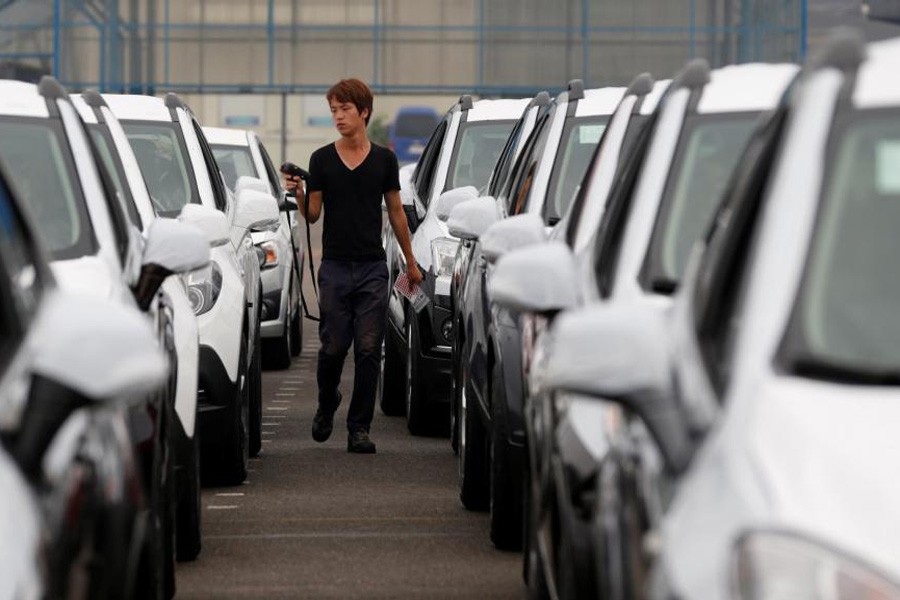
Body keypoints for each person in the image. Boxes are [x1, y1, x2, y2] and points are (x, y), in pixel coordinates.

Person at [283, 78, 422, 454]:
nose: (338, 117)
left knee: (366, 348)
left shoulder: (383, 160)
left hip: (372, 267)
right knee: (332, 346)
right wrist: (298, 193)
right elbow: (312, 215)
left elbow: (395, 212)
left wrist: (410, 262)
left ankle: (358, 428)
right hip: (334, 268)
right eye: (333, 111)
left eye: (344, 109)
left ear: (364, 112)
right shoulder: (322, 160)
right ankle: (327, 402)